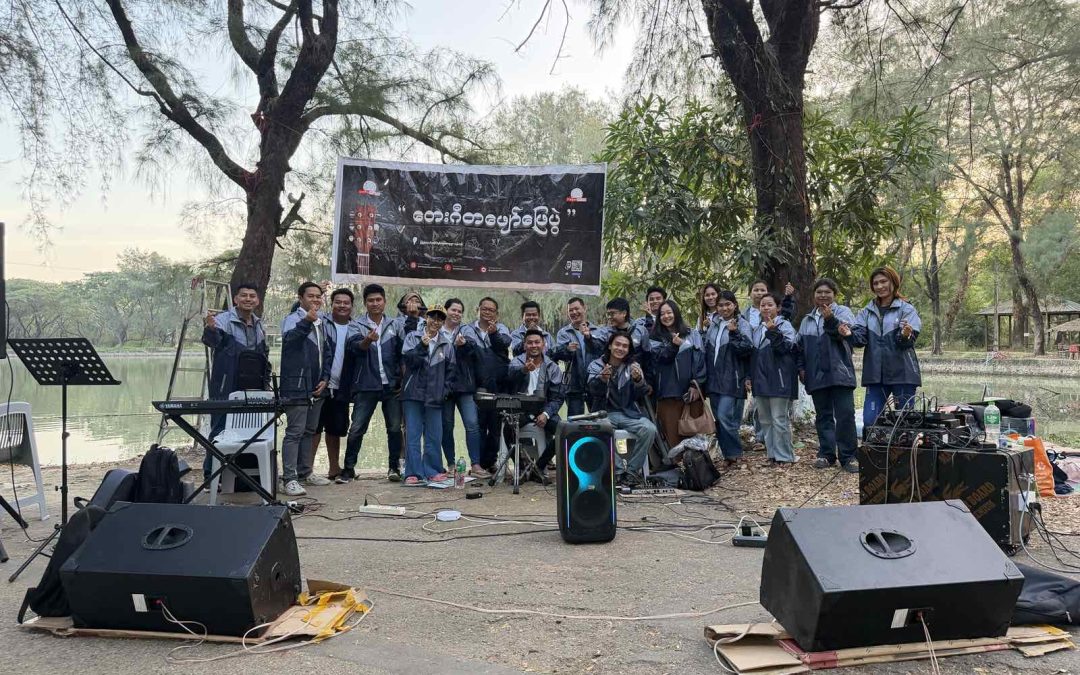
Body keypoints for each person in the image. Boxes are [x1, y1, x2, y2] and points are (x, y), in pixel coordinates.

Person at [201, 283, 269, 476]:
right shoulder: (223, 320)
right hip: (225, 385)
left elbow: (263, 354)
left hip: (252, 385)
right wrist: (210, 329)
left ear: (257, 300)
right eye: (244, 295)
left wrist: (265, 383)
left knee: (249, 429)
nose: (248, 299)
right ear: (236, 299)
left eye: (252, 296)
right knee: (220, 429)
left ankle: (241, 476)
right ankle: (211, 475)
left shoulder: (258, 324)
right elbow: (212, 342)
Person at [338, 283, 404, 483]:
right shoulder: (356, 325)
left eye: (378, 300)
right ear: (365, 303)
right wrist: (367, 340)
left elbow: (402, 354)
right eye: (370, 300)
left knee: (394, 428)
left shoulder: (395, 324)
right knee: (357, 428)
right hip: (366, 384)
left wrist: (402, 379)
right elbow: (354, 348)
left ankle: (394, 467)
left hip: (391, 386)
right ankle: (348, 469)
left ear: (384, 301)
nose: (375, 303)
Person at [797, 278, 859, 473]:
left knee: (845, 414)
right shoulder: (807, 320)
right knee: (823, 416)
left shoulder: (844, 313)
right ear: (813, 295)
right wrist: (801, 368)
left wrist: (830, 319)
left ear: (835, 294)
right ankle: (826, 454)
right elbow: (800, 348)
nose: (823, 295)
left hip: (841, 372)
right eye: (819, 292)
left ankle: (849, 456)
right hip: (816, 374)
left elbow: (846, 336)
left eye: (827, 292)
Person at [850, 265, 922, 431]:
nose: (880, 286)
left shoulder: (907, 309)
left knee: (904, 423)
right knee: (870, 422)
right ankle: (873, 448)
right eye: (876, 283)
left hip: (903, 374)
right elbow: (859, 340)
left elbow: (906, 342)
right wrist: (848, 333)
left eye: (884, 281)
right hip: (875, 376)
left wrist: (905, 335)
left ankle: (903, 448)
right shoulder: (866, 312)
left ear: (893, 282)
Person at [279, 282, 332, 496]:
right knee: (294, 432)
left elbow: (326, 352)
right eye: (311, 296)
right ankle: (289, 478)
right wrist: (306, 321)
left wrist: (325, 378)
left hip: (317, 386)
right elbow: (289, 342)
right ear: (300, 298)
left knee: (310, 431)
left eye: (318, 296)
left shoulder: (321, 321)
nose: (315, 300)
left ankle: (305, 472)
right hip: (297, 386)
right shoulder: (292, 320)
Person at [587, 332, 658, 487]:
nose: (621, 348)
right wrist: (602, 379)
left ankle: (631, 472)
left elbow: (641, 394)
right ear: (610, 346)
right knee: (599, 430)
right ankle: (618, 471)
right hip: (604, 413)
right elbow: (592, 391)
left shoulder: (633, 366)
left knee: (650, 429)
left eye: (625, 346)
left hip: (628, 413)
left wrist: (638, 380)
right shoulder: (596, 365)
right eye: (617, 344)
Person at [400, 305, 454, 486]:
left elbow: (451, 372)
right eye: (432, 317)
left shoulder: (446, 343)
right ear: (426, 318)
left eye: (439, 319)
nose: (435, 322)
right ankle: (412, 473)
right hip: (413, 393)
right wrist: (422, 345)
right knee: (413, 434)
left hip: (435, 396)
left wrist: (444, 391)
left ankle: (433, 470)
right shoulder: (412, 337)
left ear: (443, 322)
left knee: (434, 435)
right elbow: (409, 362)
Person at [505, 329, 565, 483]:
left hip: (543, 409)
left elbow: (558, 397)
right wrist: (524, 370)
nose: (534, 345)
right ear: (524, 345)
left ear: (543, 344)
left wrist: (546, 414)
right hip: (521, 409)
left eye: (537, 342)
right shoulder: (517, 362)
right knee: (508, 428)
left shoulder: (552, 367)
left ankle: (538, 467)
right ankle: (522, 467)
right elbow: (509, 378)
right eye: (530, 343)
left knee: (563, 430)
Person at [748, 293, 799, 467]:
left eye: (770, 304)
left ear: (778, 307)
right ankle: (772, 454)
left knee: (779, 419)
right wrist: (750, 377)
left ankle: (785, 456)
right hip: (760, 380)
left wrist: (773, 331)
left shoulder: (785, 326)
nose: (766, 308)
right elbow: (753, 356)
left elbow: (787, 348)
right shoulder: (757, 329)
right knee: (765, 420)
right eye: (763, 305)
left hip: (780, 378)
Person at [703, 290, 754, 467]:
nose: (724, 308)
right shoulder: (714, 324)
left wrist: (734, 333)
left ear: (735, 305)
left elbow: (747, 349)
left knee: (725, 416)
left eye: (728, 304)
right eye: (721, 305)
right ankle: (728, 456)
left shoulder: (742, 324)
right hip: (714, 378)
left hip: (732, 377)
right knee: (719, 419)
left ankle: (735, 453)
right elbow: (708, 349)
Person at [648, 300, 706, 452]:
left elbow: (700, 360)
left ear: (676, 313)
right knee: (671, 435)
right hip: (668, 392)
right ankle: (676, 464)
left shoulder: (692, 333)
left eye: (669, 312)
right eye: (662, 314)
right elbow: (660, 359)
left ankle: (696, 464)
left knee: (692, 432)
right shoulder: (654, 337)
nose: (666, 316)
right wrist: (675, 346)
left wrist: (696, 384)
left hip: (690, 392)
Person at [312, 288, 355, 481]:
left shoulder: (356, 327)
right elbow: (301, 311)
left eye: (346, 302)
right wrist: (316, 294)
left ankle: (334, 468)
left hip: (342, 386)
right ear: (332, 304)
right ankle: (307, 469)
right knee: (314, 427)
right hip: (320, 383)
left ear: (352, 306)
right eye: (338, 302)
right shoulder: (321, 322)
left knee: (335, 428)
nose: (342, 305)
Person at [441, 298, 485, 478]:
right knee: (446, 425)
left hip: (465, 386)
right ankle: (451, 464)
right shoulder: (437, 330)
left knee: (472, 424)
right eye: (453, 310)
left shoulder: (466, 330)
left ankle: (475, 464)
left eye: (460, 311)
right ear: (445, 311)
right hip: (444, 386)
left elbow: (475, 349)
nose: (456, 314)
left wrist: (464, 344)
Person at [470, 297, 512, 472]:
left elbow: (503, 345)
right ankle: (478, 463)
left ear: (497, 313)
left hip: (498, 385)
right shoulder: (468, 329)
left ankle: (490, 462)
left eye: (491, 310)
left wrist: (494, 334)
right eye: (484, 309)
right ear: (478, 310)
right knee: (478, 425)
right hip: (477, 385)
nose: (487, 312)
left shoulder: (502, 329)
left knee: (495, 426)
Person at [551, 297, 606, 417]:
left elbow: (602, 351)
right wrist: (567, 349)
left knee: (598, 420)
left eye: (577, 309)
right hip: (573, 384)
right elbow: (556, 355)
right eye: (570, 310)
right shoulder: (564, 333)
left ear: (584, 308)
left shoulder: (598, 331)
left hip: (595, 381)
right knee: (575, 421)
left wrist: (588, 337)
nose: (574, 312)